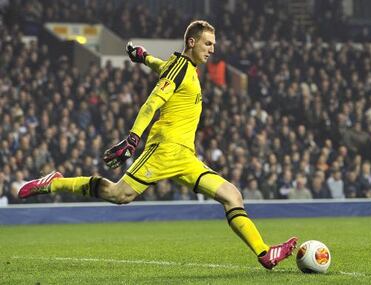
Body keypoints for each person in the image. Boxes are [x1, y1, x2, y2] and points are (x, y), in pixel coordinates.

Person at [18, 20, 297, 270]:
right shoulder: (180, 68)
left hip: (185, 156)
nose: (212, 49)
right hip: (163, 150)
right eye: (208, 43)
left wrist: (144, 57)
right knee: (119, 195)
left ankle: (264, 254)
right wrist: (133, 138)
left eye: (213, 44)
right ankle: (53, 183)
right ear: (192, 41)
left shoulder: (183, 68)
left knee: (232, 195)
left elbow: (163, 67)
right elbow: (153, 102)